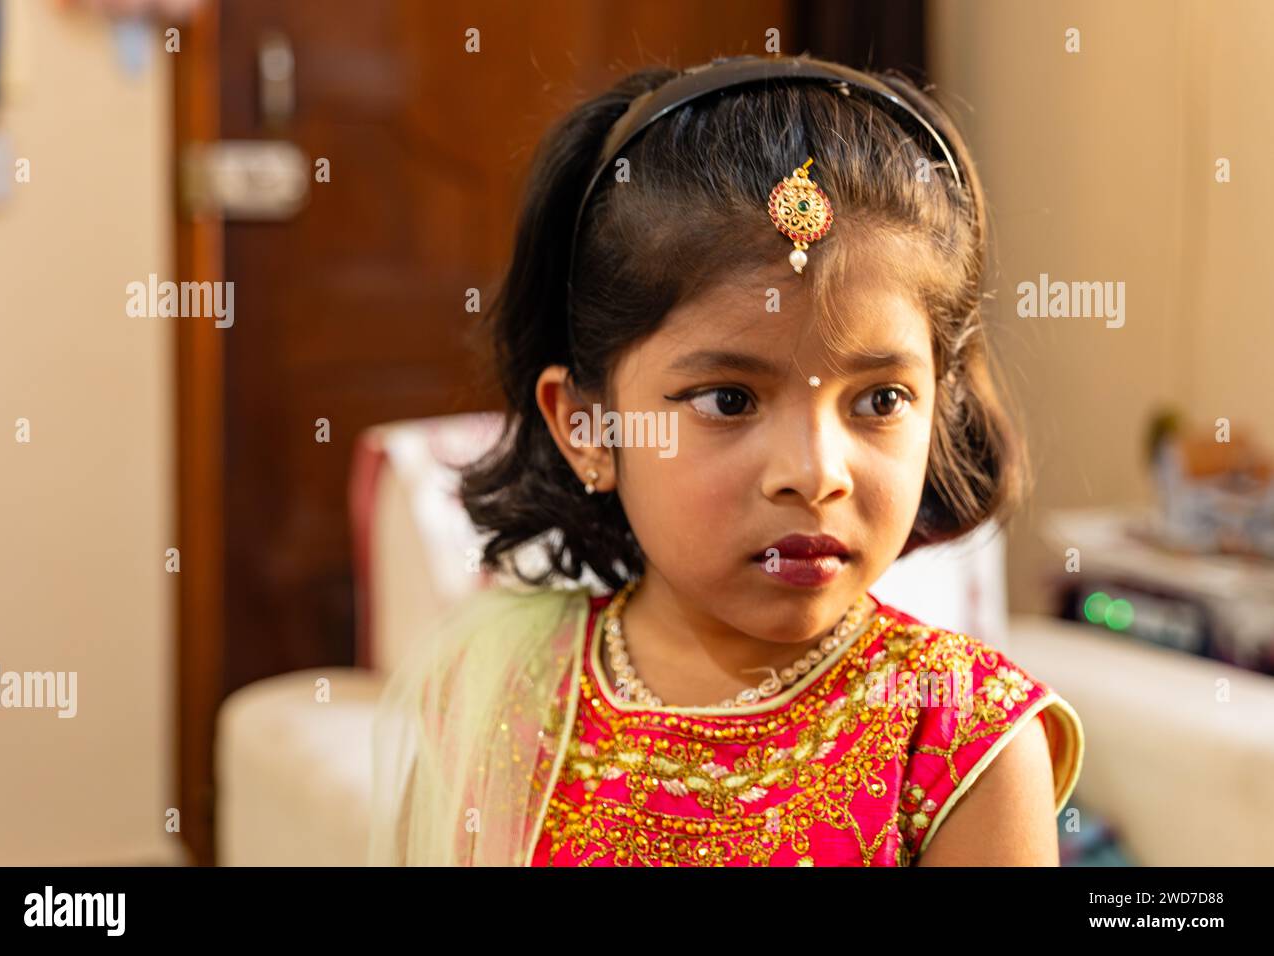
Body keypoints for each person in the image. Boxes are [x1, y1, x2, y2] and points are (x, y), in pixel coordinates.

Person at [369, 53, 1084, 867]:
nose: (816, 474)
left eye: (880, 401)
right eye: (728, 401)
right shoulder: (503, 694)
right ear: (589, 429)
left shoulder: (960, 733)